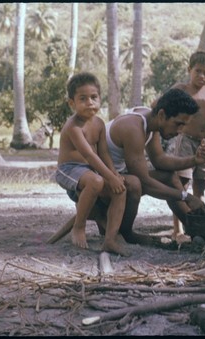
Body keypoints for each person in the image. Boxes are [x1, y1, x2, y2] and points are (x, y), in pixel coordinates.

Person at [103, 88, 205, 244]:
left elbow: (159, 160)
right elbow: (144, 181)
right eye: (178, 124)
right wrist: (186, 197)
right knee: (135, 184)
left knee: (169, 176)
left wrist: (194, 160)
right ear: (162, 115)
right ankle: (126, 233)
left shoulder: (151, 121)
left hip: (116, 176)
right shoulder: (133, 128)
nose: (180, 131)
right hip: (95, 182)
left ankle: (196, 230)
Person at [55, 72, 128, 256]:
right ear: (72, 103)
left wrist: (114, 174)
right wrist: (109, 177)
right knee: (97, 181)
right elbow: (89, 155)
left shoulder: (99, 124)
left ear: (100, 98)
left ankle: (110, 238)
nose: (90, 102)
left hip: (89, 170)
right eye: (83, 98)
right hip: (69, 169)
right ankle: (79, 227)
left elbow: (103, 153)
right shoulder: (74, 127)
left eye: (94, 97)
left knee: (121, 188)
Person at [168, 51, 205, 233]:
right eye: (198, 71)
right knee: (182, 183)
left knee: (201, 182)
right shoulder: (181, 89)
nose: (202, 76)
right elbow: (162, 105)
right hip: (186, 142)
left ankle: (200, 222)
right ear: (189, 70)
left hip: (204, 143)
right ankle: (178, 228)